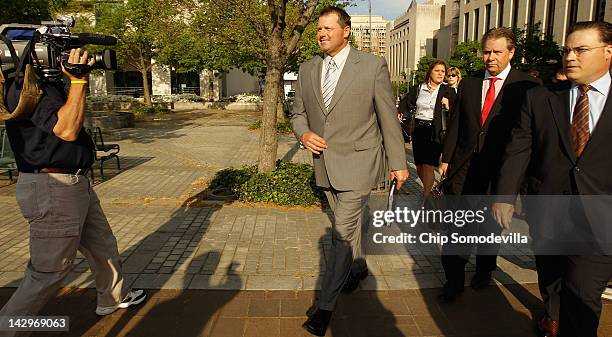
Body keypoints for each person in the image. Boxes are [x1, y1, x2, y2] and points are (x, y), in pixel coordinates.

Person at [0, 48, 146, 337]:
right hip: (53, 189)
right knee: (50, 270)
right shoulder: (23, 86)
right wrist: (78, 82)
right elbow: (66, 129)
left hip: (73, 184)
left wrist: (72, 81)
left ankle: (112, 298)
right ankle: (9, 327)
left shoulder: (46, 82)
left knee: (102, 245)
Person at [290, 6, 408, 336]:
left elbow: (387, 118)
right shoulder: (307, 68)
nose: (322, 33)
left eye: (329, 28)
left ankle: (325, 305)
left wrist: (398, 162)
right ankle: (355, 271)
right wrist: (303, 133)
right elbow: (297, 112)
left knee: (340, 235)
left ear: (347, 31)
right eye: (318, 29)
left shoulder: (371, 66)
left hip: (359, 164)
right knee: (351, 230)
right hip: (324, 165)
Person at [492, 21, 612, 337]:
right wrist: (505, 195)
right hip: (548, 212)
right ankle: (552, 315)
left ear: (608, 52)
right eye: (567, 50)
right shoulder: (541, 98)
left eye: (581, 49)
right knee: (553, 279)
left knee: (583, 293)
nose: (570, 57)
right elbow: (519, 149)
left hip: (601, 219)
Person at [437, 27, 540, 302]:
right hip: (464, 169)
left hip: (501, 172)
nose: (490, 57)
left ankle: (484, 270)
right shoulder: (469, 84)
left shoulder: (527, 87)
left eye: (497, 52)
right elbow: (457, 125)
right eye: (486, 52)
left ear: (511, 52)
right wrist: (446, 159)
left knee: (490, 228)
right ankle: (454, 280)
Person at [398, 60, 454, 199]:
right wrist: (399, 113)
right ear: (430, 72)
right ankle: (428, 190)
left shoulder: (448, 91)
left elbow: (458, 110)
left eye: (443, 71)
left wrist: (448, 105)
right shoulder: (418, 88)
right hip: (418, 130)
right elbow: (406, 103)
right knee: (419, 165)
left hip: (435, 131)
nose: (441, 74)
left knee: (428, 165)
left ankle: (427, 196)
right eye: (437, 71)